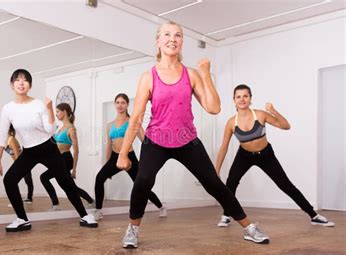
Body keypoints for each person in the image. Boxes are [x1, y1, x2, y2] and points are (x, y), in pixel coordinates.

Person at [116, 21, 269, 249]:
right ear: (158, 41)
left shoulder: (191, 74)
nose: (172, 39)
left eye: (178, 35)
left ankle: (248, 227)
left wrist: (206, 75)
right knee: (143, 180)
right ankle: (133, 228)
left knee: (214, 184)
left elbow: (214, 108)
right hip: (156, 140)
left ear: (182, 42)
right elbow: (136, 117)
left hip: (187, 140)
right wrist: (124, 152)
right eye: (167, 34)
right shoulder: (148, 77)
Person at [215, 84, 334, 228]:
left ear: (250, 98)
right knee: (231, 182)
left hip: (265, 155)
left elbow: (286, 126)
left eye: (245, 96)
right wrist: (217, 169)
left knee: (285, 185)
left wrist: (273, 111)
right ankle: (226, 215)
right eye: (238, 97)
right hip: (244, 155)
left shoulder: (260, 115)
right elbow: (224, 147)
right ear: (234, 100)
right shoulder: (231, 123)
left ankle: (313, 215)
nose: (242, 99)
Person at [0, 69, 97, 232]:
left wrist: (49, 110)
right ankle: (22, 219)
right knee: (9, 180)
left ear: (30, 85)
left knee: (65, 182)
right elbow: (2, 133)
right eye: (17, 80)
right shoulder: (8, 108)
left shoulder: (38, 104)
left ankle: (85, 216)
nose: (21, 83)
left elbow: (50, 130)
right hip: (28, 152)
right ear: (12, 85)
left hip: (47, 148)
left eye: (25, 80)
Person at [93, 93, 166, 221]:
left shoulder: (132, 122)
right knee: (99, 178)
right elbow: (109, 145)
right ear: (115, 104)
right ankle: (98, 210)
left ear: (127, 105)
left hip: (129, 157)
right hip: (115, 157)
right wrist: (106, 163)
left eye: (123, 102)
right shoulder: (109, 125)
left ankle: (161, 206)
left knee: (141, 185)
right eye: (117, 102)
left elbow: (145, 141)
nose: (120, 105)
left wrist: (148, 160)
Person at [40, 103, 94, 211]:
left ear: (65, 112)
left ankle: (56, 205)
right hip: (58, 160)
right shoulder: (60, 129)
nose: (56, 114)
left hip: (66, 159)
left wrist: (74, 169)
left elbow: (76, 151)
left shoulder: (71, 129)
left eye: (58, 112)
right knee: (69, 185)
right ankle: (90, 200)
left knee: (45, 178)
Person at [5, 124, 34, 206]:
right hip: (20, 162)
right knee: (26, 180)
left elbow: (17, 154)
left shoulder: (11, 139)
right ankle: (28, 198)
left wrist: (18, 167)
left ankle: (26, 199)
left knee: (23, 181)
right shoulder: (8, 140)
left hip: (23, 162)